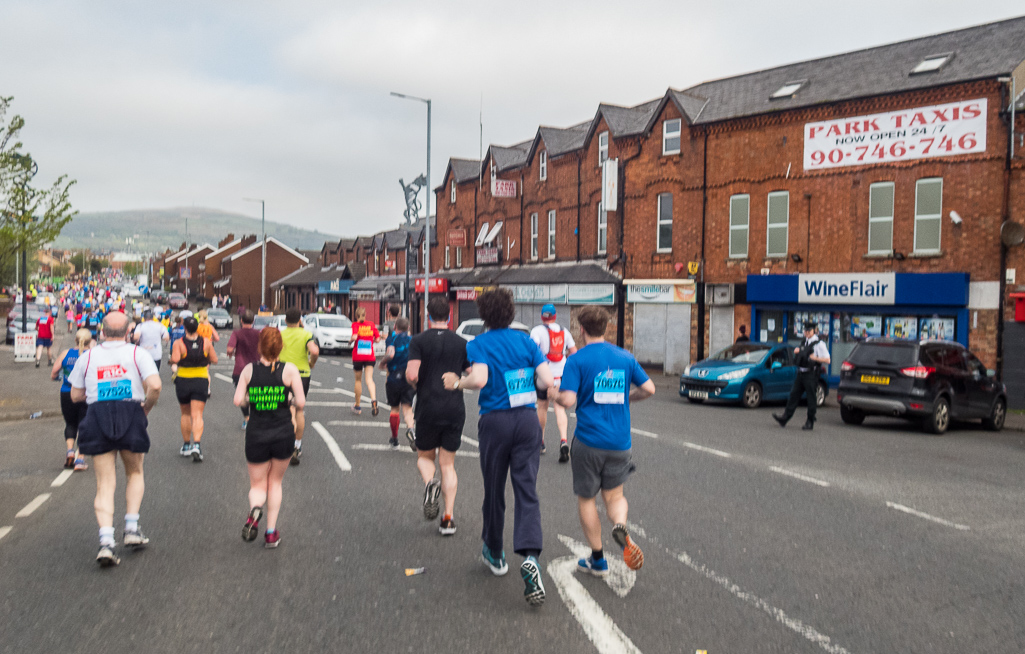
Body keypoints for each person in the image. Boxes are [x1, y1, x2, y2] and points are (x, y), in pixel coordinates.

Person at [441, 289, 554, 608]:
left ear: (484, 314)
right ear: (510, 312)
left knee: (494, 490)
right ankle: (530, 555)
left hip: (495, 422)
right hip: (527, 421)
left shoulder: (478, 344)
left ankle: (495, 552)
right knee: (527, 490)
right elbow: (545, 380)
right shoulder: (527, 342)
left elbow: (479, 378)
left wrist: (457, 383)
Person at [555, 306, 655, 576]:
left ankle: (597, 559)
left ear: (582, 329)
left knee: (587, 498)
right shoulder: (624, 356)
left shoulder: (577, 361)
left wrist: (554, 393)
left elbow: (568, 400)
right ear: (606, 328)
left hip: (588, 440)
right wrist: (628, 398)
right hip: (620, 442)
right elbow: (649, 389)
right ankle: (620, 523)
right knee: (615, 496)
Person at [68, 312, 161, 566]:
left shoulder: (87, 357)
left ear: (102, 331)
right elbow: (155, 385)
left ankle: (106, 543)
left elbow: (75, 395)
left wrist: (98, 388)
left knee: (105, 482)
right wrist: (146, 408)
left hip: (98, 413)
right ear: (129, 332)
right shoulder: (137, 354)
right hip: (130, 411)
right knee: (135, 472)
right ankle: (131, 528)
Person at [233, 326, 306, 549]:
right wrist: (290, 398)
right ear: (280, 347)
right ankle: (271, 533)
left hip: (256, 433)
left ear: (259, 347)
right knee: (275, 482)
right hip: (283, 433)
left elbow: (238, 401)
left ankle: (255, 508)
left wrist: (250, 398)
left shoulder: (249, 371)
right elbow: (301, 403)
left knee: (257, 485)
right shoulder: (290, 370)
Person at [407, 296, 471, 536]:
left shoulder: (419, 341)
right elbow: (471, 374)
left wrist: (415, 383)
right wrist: (457, 382)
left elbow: (412, 375)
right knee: (448, 464)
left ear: (428, 316)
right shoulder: (462, 343)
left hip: (428, 405)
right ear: (450, 316)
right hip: (454, 406)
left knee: (425, 456)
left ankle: (429, 483)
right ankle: (448, 518)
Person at [529, 304, 577, 461]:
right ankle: (563, 440)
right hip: (561, 376)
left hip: (544, 376)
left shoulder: (537, 331)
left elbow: (532, 350)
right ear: (555, 316)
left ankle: (541, 442)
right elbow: (574, 352)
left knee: (542, 407)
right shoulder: (564, 331)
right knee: (560, 408)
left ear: (542, 316)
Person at [170, 316, 218, 461]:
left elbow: (176, 359)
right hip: (200, 379)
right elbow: (214, 359)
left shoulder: (179, 343)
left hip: (183, 380)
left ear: (184, 328)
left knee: (185, 413)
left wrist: (173, 360)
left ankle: (186, 445)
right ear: (197, 328)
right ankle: (196, 445)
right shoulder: (206, 342)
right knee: (197, 415)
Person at [773, 321, 830, 430]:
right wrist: (797, 352)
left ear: (814, 331)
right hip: (801, 373)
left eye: (809, 331)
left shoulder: (819, 344)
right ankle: (785, 418)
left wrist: (815, 358)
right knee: (793, 395)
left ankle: (810, 421)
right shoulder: (804, 342)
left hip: (811, 374)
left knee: (811, 398)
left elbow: (828, 360)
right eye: (805, 331)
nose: (807, 332)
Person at [279, 308, 318, 464]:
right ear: (300, 320)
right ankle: (297, 445)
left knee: (288, 409)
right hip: (302, 375)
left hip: (282, 374)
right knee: (299, 410)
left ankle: (286, 443)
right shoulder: (306, 334)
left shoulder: (280, 334)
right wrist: (312, 362)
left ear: (286, 321)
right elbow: (314, 350)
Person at [51, 328, 93, 471]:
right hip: (86, 395)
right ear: (90, 340)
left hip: (66, 393)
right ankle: (80, 459)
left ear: (75, 340)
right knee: (84, 425)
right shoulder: (92, 356)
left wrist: (63, 378)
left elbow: (54, 374)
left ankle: (70, 451)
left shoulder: (65, 354)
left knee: (70, 423)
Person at [381, 317, 415, 450]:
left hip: (394, 378)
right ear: (408, 328)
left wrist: (382, 362)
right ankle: (411, 429)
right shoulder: (413, 340)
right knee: (407, 408)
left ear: (395, 327)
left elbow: (390, 354)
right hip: (408, 378)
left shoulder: (392, 339)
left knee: (394, 408)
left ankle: (394, 439)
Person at [227, 311, 261, 429]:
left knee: (242, 395)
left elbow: (230, 348)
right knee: (256, 394)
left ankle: (247, 419)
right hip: (257, 368)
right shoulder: (258, 333)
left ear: (241, 320)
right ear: (253, 321)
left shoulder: (237, 333)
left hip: (240, 369)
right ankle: (256, 418)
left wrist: (230, 354)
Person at [349, 307, 381, 416]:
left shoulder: (355, 325)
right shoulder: (371, 325)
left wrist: (350, 341)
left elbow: (354, 336)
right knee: (369, 379)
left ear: (356, 316)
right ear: (365, 315)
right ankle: (373, 400)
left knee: (358, 380)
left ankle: (357, 406)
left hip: (358, 356)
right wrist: (371, 339)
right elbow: (377, 339)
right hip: (369, 356)